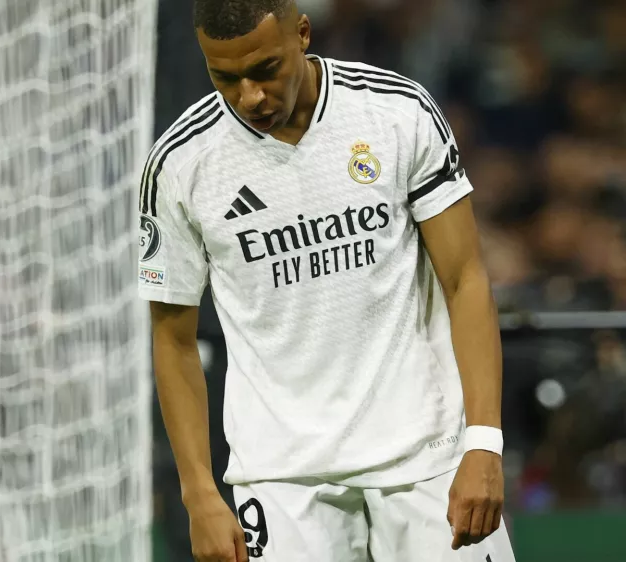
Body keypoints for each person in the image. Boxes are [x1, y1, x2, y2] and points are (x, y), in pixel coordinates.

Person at [137, 1, 517, 560]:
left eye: (266, 70)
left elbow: (465, 279)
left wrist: (483, 442)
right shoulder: (179, 162)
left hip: (426, 457)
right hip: (281, 480)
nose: (250, 96)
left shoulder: (395, 112)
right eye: (225, 78)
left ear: (303, 35)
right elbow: (172, 339)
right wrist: (199, 497)